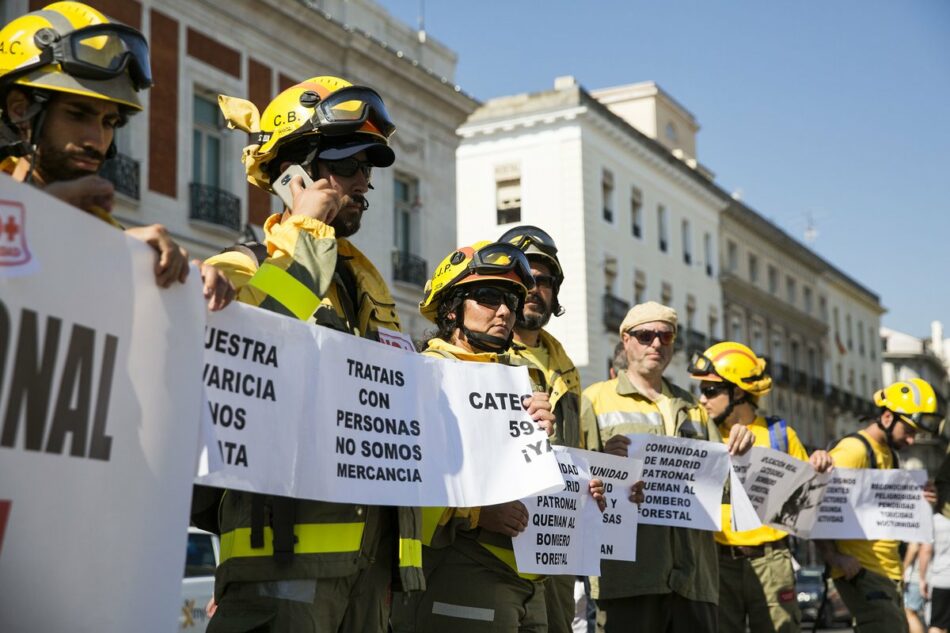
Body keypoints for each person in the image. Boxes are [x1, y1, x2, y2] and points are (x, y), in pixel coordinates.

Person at [199, 76, 422, 633]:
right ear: (295, 174)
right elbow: (252, 353)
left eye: (369, 168)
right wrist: (308, 228)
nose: (365, 183)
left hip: (370, 575)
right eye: (349, 165)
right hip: (281, 566)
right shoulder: (238, 267)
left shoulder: (364, 289)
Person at [391, 240, 606, 633]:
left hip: (529, 581)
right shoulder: (422, 374)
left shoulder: (515, 382)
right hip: (459, 572)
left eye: (511, 298)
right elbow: (400, 482)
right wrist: (476, 515)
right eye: (489, 297)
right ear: (452, 307)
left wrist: (574, 488)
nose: (506, 311)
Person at [0, 1, 231, 306]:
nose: (97, 140)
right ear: (20, 111)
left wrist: (187, 287)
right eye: (77, 114)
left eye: (110, 122)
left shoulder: (110, 234)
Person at [580, 301, 754, 633]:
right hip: (629, 577)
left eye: (666, 336)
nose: (657, 343)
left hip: (694, 580)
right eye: (646, 335)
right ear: (626, 340)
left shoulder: (693, 408)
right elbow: (572, 482)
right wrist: (603, 464)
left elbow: (725, 488)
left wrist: (740, 457)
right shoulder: (594, 399)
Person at [687, 341, 834, 633]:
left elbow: (809, 506)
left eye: (711, 390)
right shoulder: (699, 433)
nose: (702, 399)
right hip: (718, 562)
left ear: (738, 391)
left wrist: (821, 470)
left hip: (772, 560)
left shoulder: (780, 435)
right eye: (701, 390)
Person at [499, 225, 583, 633]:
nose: (534, 287)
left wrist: (593, 481)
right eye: (524, 276)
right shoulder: (483, 353)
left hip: (556, 547)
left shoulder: (564, 366)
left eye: (544, 280)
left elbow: (575, 453)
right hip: (499, 545)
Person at [820, 378, 943, 633]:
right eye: (908, 431)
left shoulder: (889, 455)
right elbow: (818, 504)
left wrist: (915, 498)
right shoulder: (854, 450)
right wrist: (834, 556)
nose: (911, 440)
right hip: (864, 570)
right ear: (887, 417)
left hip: (887, 572)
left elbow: (877, 505)